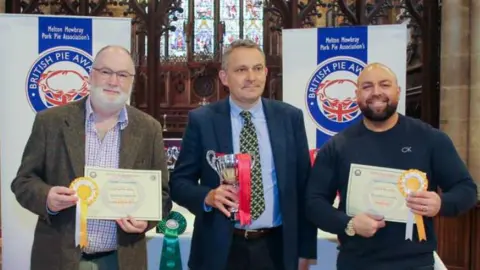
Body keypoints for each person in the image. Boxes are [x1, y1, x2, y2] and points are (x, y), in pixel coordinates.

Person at [11, 45, 171, 270]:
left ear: (131, 81)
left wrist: (147, 220)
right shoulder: (51, 122)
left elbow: (162, 196)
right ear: (91, 76)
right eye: (106, 72)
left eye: (123, 75)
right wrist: (47, 197)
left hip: (122, 260)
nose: (114, 81)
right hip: (60, 258)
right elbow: (23, 182)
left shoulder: (148, 129)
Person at [305, 62, 478, 270]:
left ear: (398, 91)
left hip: (415, 264)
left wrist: (441, 203)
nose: (376, 92)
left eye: (384, 85)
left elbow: (467, 190)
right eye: (367, 86)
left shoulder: (431, 139)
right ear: (357, 94)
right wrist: (348, 224)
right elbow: (313, 202)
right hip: (356, 263)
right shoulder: (338, 146)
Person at [169, 39, 317, 270]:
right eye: (241, 70)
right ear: (224, 77)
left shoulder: (289, 118)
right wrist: (207, 197)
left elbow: (305, 188)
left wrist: (306, 250)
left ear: (266, 73)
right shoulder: (203, 121)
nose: (251, 77)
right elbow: (178, 183)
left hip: (276, 249)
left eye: (258, 68)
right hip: (220, 250)